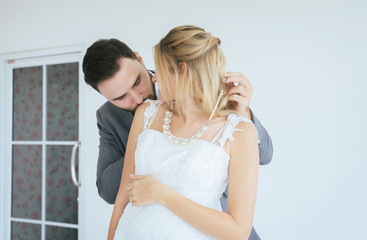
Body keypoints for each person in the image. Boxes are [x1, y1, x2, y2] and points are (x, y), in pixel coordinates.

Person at [82, 31, 273, 239]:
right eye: (120, 98)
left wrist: (243, 113)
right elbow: (112, 193)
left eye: (137, 82)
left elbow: (265, 156)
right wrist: (142, 141)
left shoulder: (233, 118)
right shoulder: (129, 115)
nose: (137, 98)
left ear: (140, 59)